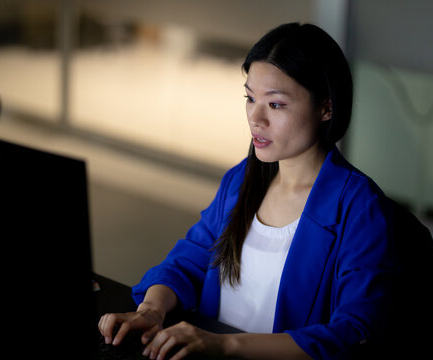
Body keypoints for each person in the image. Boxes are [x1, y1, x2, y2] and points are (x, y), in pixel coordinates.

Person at [98, 22, 397, 360]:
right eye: (250, 98)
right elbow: (189, 260)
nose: (256, 118)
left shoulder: (359, 206)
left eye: (276, 105)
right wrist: (151, 311)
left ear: (326, 108)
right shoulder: (242, 179)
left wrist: (225, 344)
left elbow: (353, 332)